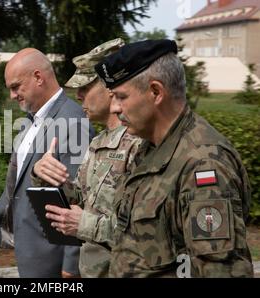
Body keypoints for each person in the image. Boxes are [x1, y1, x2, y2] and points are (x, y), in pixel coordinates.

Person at [82, 39, 253, 277]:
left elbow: (220, 270)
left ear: (155, 92)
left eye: (121, 97)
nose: (115, 108)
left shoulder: (203, 164)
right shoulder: (149, 148)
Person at [0, 48, 94, 278]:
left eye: (15, 86)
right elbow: (16, 183)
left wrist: (71, 266)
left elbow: (79, 200)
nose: (12, 95)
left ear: (38, 78)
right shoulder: (28, 122)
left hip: (52, 262)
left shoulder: (73, 123)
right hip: (30, 255)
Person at [31, 38, 140, 277]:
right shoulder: (98, 143)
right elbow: (80, 198)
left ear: (111, 86)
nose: (78, 95)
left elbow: (145, 231)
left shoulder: (139, 143)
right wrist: (46, 177)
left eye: (86, 86)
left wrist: (85, 225)